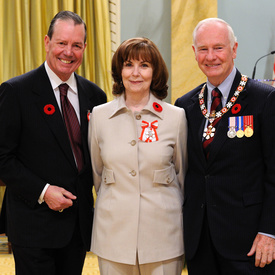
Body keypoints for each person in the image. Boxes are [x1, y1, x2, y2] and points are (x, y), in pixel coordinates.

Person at [0, 10, 106, 275]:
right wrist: (44, 191)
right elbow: (2, 160)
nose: (68, 52)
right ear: (47, 42)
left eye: (76, 45)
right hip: (33, 226)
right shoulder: (16, 92)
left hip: (77, 227)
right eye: (61, 43)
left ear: (84, 48)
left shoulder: (95, 95)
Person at [175, 17, 275, 274]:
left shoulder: (264, 99)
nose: (211, 56)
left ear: (234, 49)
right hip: (200, 241)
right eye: (203, 49)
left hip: (250, 242)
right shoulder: (184, 105)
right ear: (194, 53)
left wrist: (269, 231)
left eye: (218, 47)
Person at [88, 37, 187, 275]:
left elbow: (182, 176)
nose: (135, 73)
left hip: (163, 235)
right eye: (128, 64)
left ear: (155, 72)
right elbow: (97, 174)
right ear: (119, 70)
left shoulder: (176, 117)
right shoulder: (99, 116)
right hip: (114, 233)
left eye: (144, 65)